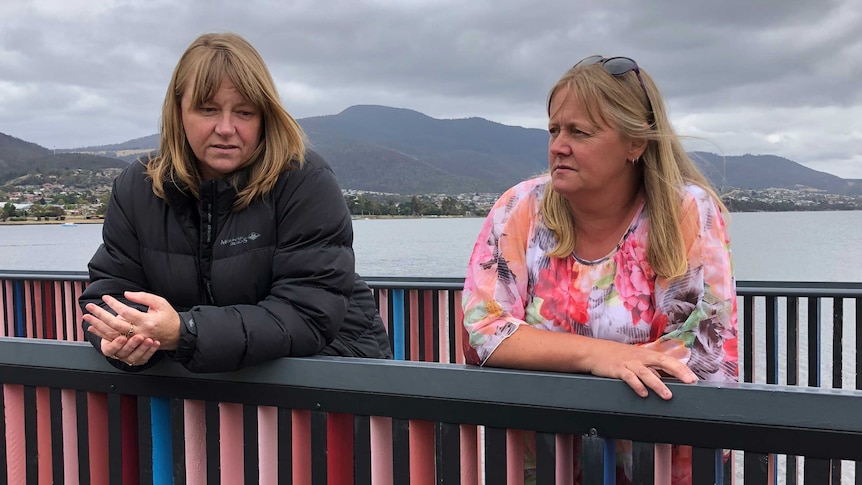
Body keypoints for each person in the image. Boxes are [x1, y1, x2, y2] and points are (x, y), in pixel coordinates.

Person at [461, 55, 738, 484]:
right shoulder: (520, 209)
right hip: (548, 464)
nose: (558, 145)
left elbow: (701, 353)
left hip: (662, 465)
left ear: (635, 143)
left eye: (579, 132)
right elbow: (481, 335)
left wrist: (548, 352)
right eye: (554, 130)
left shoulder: (686, 212)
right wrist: (599, 356)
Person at [79, 32, 391, 373]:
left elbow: (307, 314)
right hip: (213, 388)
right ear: (179, 111)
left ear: (264, 117)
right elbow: (109, 293)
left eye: (244, 112)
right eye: (208, 109)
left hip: (332, 378)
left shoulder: (304, 179)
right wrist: (119, 339)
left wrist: (186, 331)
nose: (226, 128)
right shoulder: (138, 185)